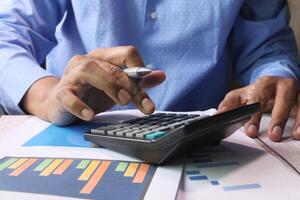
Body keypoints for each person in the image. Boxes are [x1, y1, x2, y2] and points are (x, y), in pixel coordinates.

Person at [0, 0, 300, 142]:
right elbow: (6, 35)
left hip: (205, 139)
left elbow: (268, 47)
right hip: (76, 132)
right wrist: (50, 95)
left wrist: (274, 77)